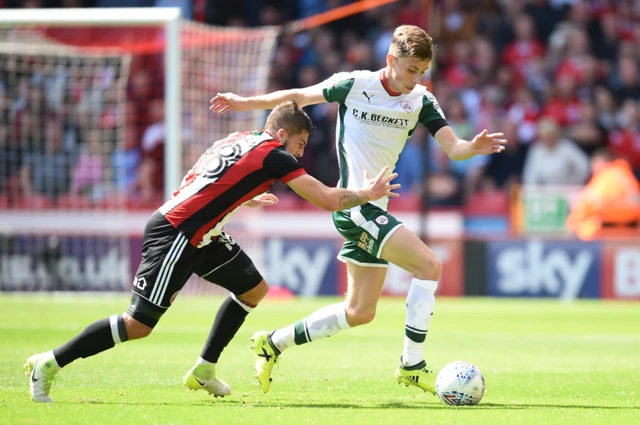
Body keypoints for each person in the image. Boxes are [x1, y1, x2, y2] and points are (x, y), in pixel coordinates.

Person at [24, 101, 400, 403]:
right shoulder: (274, 154)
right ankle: (49, 363)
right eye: (300, 145)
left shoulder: (237, 139)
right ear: (282, 134)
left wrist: (245, 196)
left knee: (254, 289)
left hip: (203, 233)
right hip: (177, 234)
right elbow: (328, 199)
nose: (300, 155)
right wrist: (367, 194)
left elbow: (202, 179)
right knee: (137, 325)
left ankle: (204, 370)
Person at [210, 25, 507, 395]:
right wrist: (244, 103)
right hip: (354, 205)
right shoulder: (355, 84)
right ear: (390, 59)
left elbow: (454, 148)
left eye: (422, 72)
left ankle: (272, 343)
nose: (415, 79)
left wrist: (472, 146)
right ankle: (411, 365)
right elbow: (298, 96)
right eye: (410, 69)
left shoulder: (422, 101)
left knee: (360, 311)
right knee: (429, 265)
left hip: (374, 205)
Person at [566, 149, 640, 240]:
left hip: (613, 228)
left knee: (585, 224)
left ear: (603, 162)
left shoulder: (608, 176)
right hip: (629, 228)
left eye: (595, 163)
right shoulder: (624, 173)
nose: (593, 167)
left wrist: (573, 221)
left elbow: (589, 202)